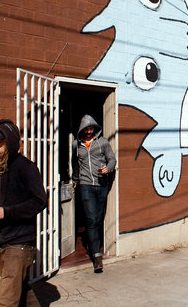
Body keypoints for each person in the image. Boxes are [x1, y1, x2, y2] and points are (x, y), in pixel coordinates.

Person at [0, 119, 48, 307]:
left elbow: (40, 201)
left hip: (20, 242)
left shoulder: (26, 167)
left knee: (6, 300)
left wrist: (6, 212)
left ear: (10, 142)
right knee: (21, 290)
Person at [72, 114, 116, 273]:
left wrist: (107, 168)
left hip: (101, 184)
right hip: (86, 185)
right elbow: (75, 163)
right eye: (86, 129)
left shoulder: (103, 142)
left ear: (95, 129)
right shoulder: (76, 144)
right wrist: (75, 179)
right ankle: (96, 255)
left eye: (91, 129)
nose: (89, 132)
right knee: (91, 218)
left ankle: (91, 243)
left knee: (97, 218)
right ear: (82, 130)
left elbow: (112, 159)